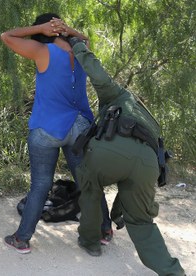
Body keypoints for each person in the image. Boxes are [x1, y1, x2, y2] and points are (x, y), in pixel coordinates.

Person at [65, 30, 186, 275]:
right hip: (148, 164)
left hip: (108, 151)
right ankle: (173, 272)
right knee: (142, 223)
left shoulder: (120, 95)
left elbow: (97, 74)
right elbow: (132, 176)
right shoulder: (152, 122)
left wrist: (77, 45)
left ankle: (90, 242)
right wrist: (122, 211)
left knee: (90, 193)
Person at [0, 13, 113, 254]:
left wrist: (40, 28)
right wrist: (67, 29)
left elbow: (6, 36)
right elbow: (85, 39)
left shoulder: (43, 51)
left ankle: (22, 239)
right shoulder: (81, 50)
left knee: (40, 185)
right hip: (80, 127)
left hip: (47, 128)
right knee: (88, 181)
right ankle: (105, 229)